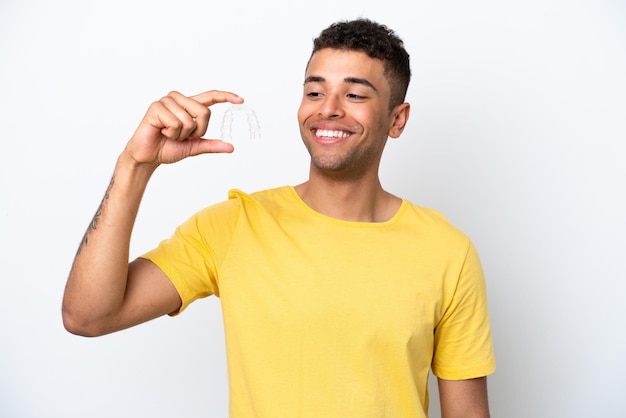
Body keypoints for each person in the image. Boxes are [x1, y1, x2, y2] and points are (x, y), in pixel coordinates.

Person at [62, 18, 495, 418]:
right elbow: (87, 316)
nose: (328, 108)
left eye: (356, 94)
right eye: (314, 91)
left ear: (396, 120)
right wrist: (135, 165)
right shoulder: (234, 226)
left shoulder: (447, 252)